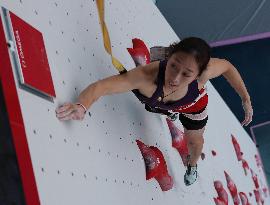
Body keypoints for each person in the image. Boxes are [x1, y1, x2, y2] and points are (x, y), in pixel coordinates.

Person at [55, 37, 253, 186]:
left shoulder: (205, 74)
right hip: (156, 101)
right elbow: (101, 87)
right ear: (169, 56)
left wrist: (245, 98)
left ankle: (192, 165)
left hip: (193, 107)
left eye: (186, 74)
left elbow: (227, 66)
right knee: (149, 98)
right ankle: (167, 110)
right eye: (174, 65)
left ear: (200, 75)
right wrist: (81, 105)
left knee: (195, 142)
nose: (175, 78)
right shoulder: (145, 76)